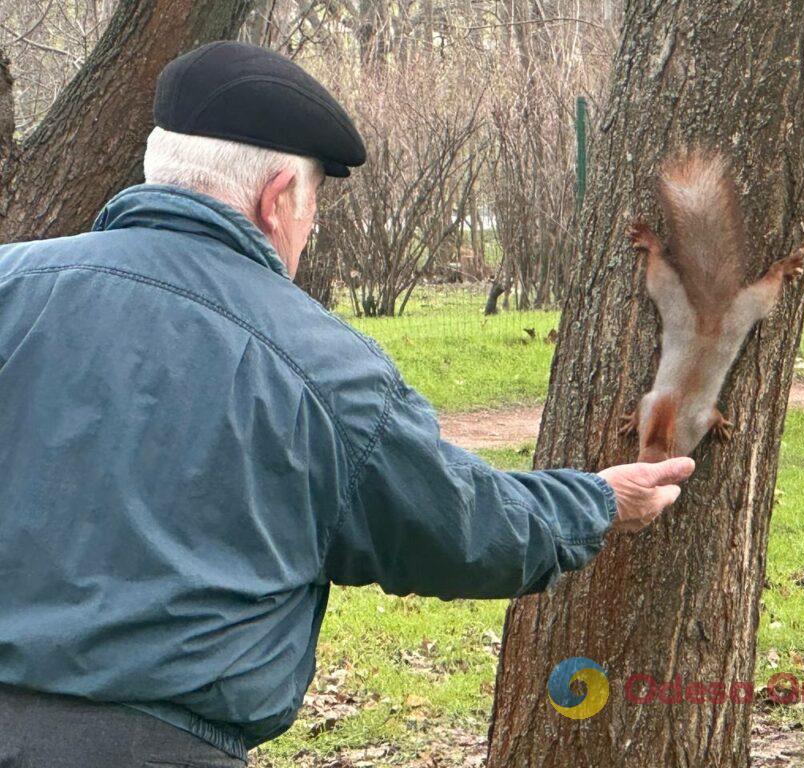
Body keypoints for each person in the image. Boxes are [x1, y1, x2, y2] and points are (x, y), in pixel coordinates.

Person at [0, 41, 694, 767]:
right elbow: (455, 529)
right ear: (278, 200)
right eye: (314, 209)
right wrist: (597, 502)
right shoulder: (320, 365)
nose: (309, 230)